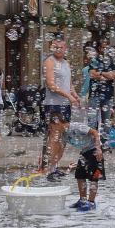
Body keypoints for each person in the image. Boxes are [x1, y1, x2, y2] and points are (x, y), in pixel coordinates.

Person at [43, 39, 79, 180]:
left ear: (65, 48)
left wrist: (75, 94)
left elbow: (69, 84)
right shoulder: (49, 62)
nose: (58, 49)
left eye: (61, 47)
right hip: (53, 104)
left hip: (65, 104)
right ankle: (50, 170)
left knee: (63, 138)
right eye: (55, 47)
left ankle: (55, 166)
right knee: (55, 137)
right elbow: (51, 85)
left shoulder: (66, 63)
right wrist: (69, 96)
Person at [82, 39, 115, 132]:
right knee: (92, 122)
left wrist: (101, 73)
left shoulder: (111, 60)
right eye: (103, 47)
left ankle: (104, 142)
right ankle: (92, 145)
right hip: (95, 94)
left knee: (106, 122)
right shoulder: (95, 60)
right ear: (99, 48)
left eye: (107, 47)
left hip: (107, 95)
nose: (105, 49)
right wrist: (107, 74)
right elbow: (92, 74)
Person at [67, 121, 104, 212]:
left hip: (95, 150)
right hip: (84, 152)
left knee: (94, 177)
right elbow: (60, 148)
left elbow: (95, 132)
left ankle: (91, 202)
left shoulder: (76, 127)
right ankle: (82, 201)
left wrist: (98, 149)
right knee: (80, 176)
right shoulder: (63, 134)